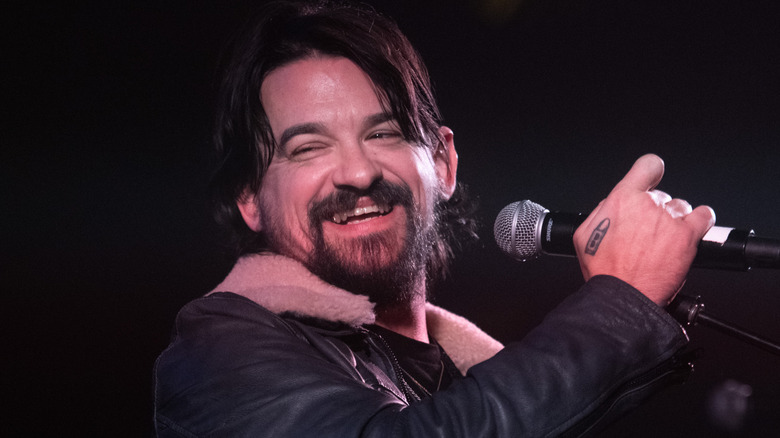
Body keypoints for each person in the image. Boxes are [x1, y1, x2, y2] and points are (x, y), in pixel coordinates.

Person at [153, 1, 716, 436]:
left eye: (384, 133)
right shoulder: (214, 354)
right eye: (307, 148)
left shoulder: (474, 376)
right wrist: (619, 303)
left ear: (444, 163)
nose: (356, 172)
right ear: (250, 198)